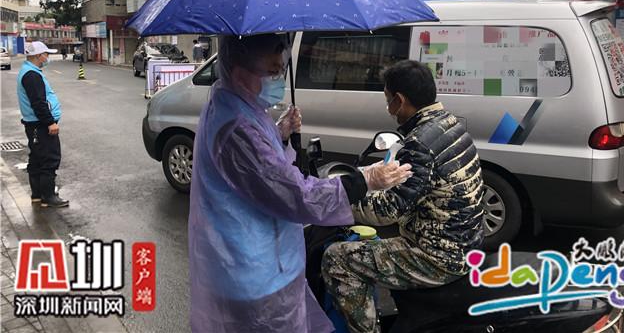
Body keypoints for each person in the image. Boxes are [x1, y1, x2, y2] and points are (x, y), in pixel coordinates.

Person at [188, 34, 412, 332]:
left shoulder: (237, 104)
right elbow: (293, 193)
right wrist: (364, 180)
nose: (277, 80)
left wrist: (279, 133)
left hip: (262, 259)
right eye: (271, 73)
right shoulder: (237, 127)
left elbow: (259, 168)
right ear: (239, 70)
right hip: (253, 271)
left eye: (281, 71)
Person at [322, 60, 484, 333]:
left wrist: (336, 200)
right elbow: (417, 182)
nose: (389, 108)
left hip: (439, 257)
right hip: (467, 244)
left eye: (388, 100)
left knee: (337, 257)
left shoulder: (419, 143)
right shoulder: (449, 123)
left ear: (399, 100)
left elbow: (387, 211)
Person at [17, 41, 69, 208]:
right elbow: (38, 103)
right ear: (38, 56)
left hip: (35, 125)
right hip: (40, 125)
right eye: (46, 54)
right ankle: (48, 197)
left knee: (37, 159)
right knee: (49, 159)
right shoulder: (32, 75)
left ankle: (38, 195)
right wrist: (50, 122)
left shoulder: (28, 71)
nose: (47, 57)